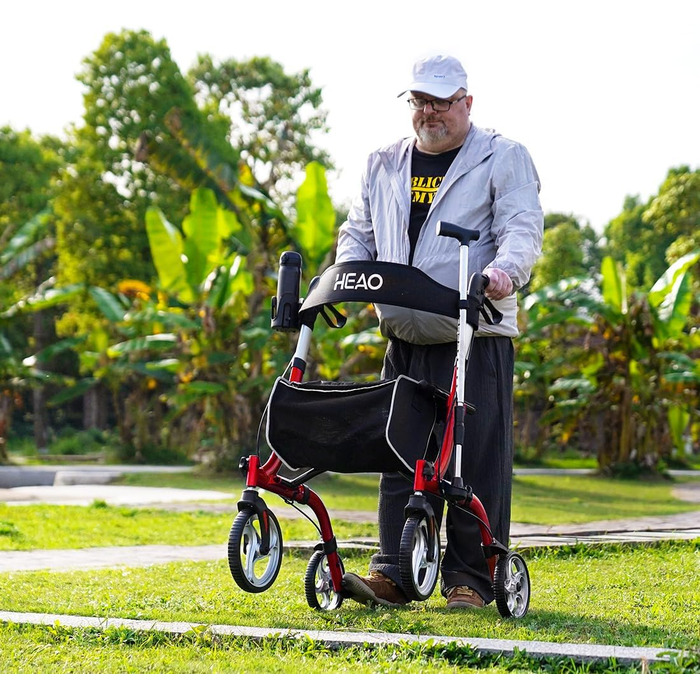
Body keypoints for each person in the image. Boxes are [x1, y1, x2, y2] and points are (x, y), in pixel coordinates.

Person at [336, 54, 543, 609]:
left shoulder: (503, 157)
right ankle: (396, 573)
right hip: (403, 335)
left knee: (472, 462)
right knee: (400, 458)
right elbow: (358, 231)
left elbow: (521, 229)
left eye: (441, 101)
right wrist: (346, 275)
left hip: (474, 336)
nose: (430, 112)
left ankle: (470, 579)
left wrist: (504, 272)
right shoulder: (383, 162)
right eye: (420, 101)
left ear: (466, 103)